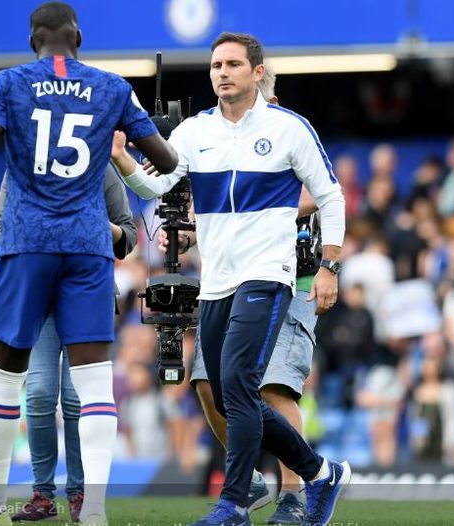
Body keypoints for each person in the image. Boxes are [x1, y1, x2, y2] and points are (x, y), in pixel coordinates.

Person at [0, 3, 177, 525]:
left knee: (5, 380)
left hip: (28, 242)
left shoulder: (7, 83)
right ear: (78, 36)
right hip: (87, 246)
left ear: (33, 39)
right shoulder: (113, 87)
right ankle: (94, 511)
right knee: (96, 385)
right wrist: (128, 151)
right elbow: (165, 161)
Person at [111, 32, 348, 526]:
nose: (222, 72)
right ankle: (320, 472)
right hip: (217, 281)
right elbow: (156, 185)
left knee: (240, 384)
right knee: (222, 393)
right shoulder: (196, 132)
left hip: (269, 274)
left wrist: (329, 266)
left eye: (233, 64)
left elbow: (331, 196)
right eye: (216, 65)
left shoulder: (290, 128)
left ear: (257, 72)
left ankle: (235, 503)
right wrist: (122, 159)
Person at [0, 164, 138, 523]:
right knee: (40, 394)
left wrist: (93, 226)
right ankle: (43, 495)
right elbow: (0, 227)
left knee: (78, 398)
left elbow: (130, 237)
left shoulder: (102, 169)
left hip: (88, 295)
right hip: (39, 297)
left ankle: (79, 493)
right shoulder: (20, 168)